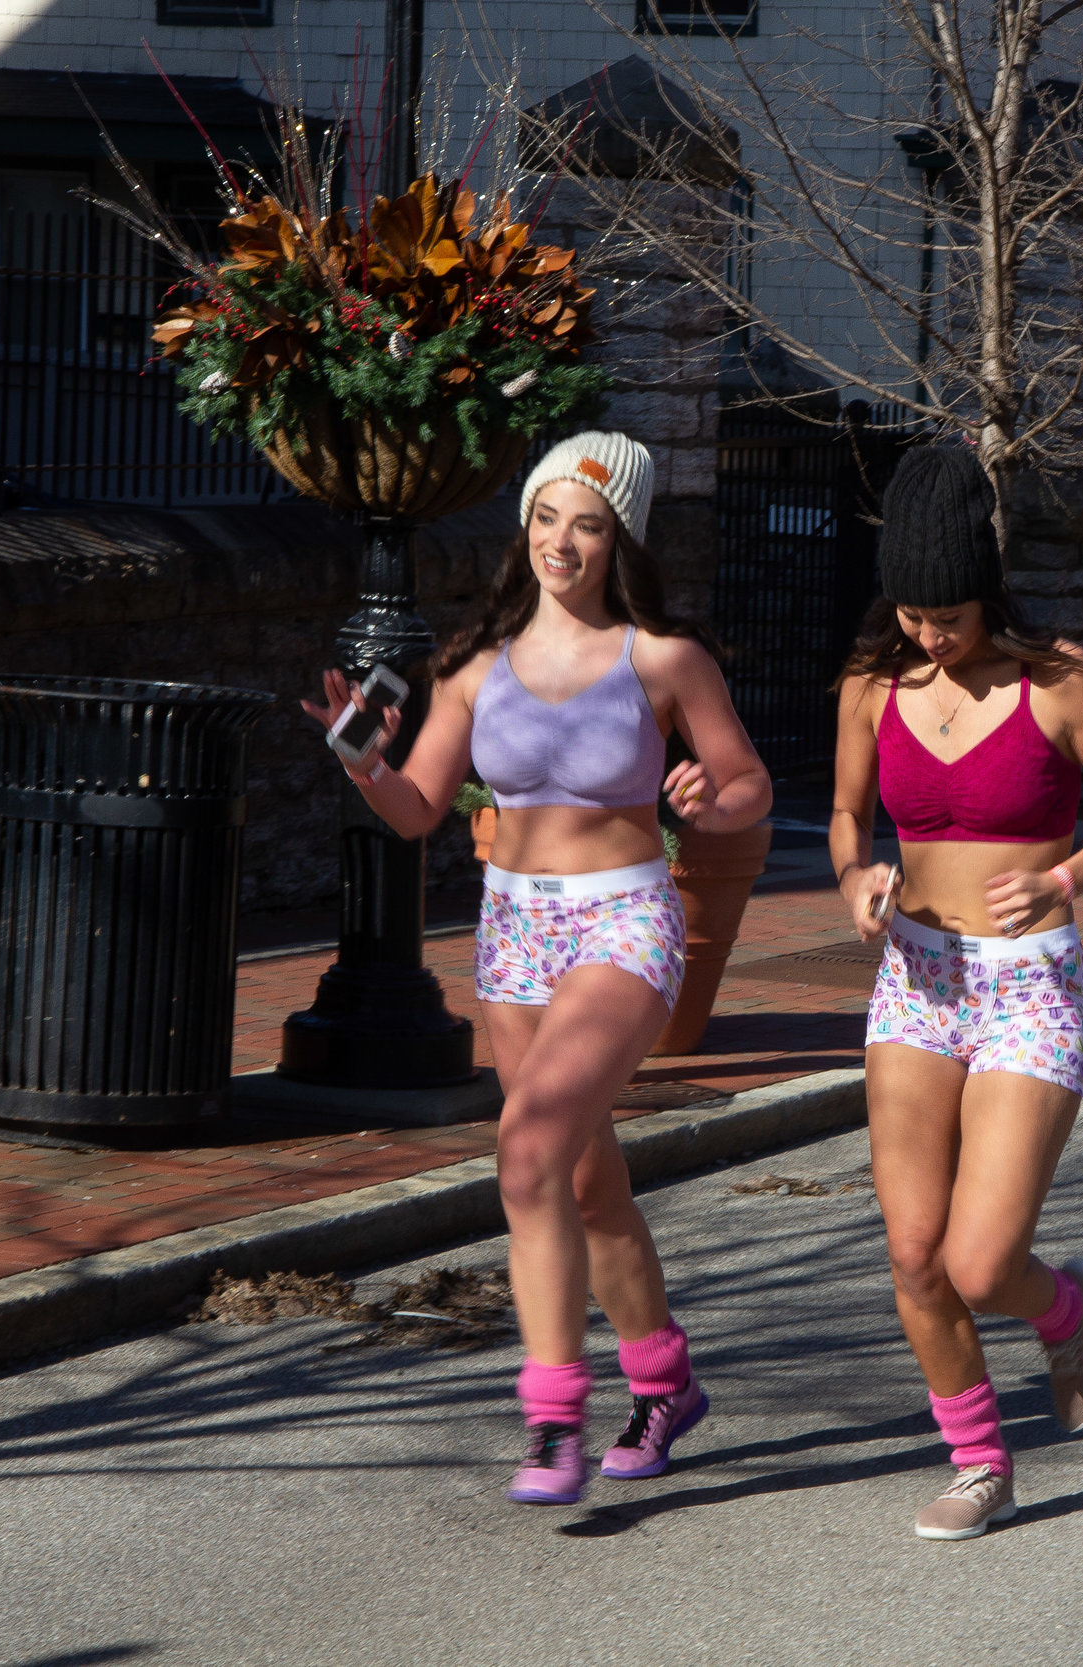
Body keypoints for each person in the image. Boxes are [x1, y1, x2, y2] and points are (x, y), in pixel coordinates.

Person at [300, 431, 772, 1501]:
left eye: (590, 523)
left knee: (526, 1148)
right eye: (549, 516)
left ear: (622, 538)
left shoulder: (662, 658)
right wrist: (361, 758)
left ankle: (552, 1413)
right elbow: (419, 808)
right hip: (514, 929)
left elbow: (748, 784)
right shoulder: (473, 665)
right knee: (586, 1181)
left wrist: (709, 797)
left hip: (622, 923)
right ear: (526, 524)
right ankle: (665, 1382)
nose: (564, 539)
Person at [829, 445, 1083, 1540]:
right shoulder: (871, 685)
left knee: (979, 1260)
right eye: (915, 611)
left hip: (1028, 986)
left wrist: (1064, 877)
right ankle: (980, 1460)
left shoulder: (1059, 680)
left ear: (989, 582)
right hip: (916, 981)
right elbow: (845, 819)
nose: (932, 631)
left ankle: (1060, 1305)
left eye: (951, 611)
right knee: (913, 1252)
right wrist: (855, 881)